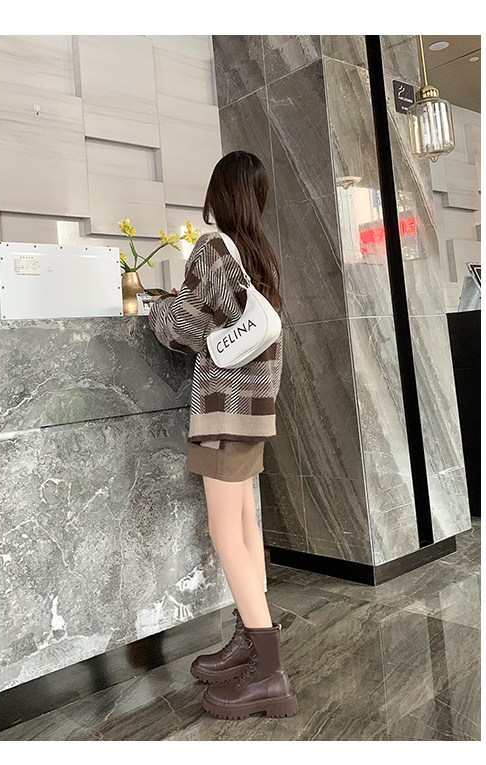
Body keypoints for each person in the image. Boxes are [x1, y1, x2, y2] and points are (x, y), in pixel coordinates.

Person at [147, 151, 298, 720]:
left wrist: (159, 307)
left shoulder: (212, 249)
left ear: (217, 194)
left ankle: (269, 672)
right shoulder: (261, 257)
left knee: (223, 530)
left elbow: (179, 324)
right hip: (254, 410)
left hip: (222, 407)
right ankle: (248, 639)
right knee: (245, 524)